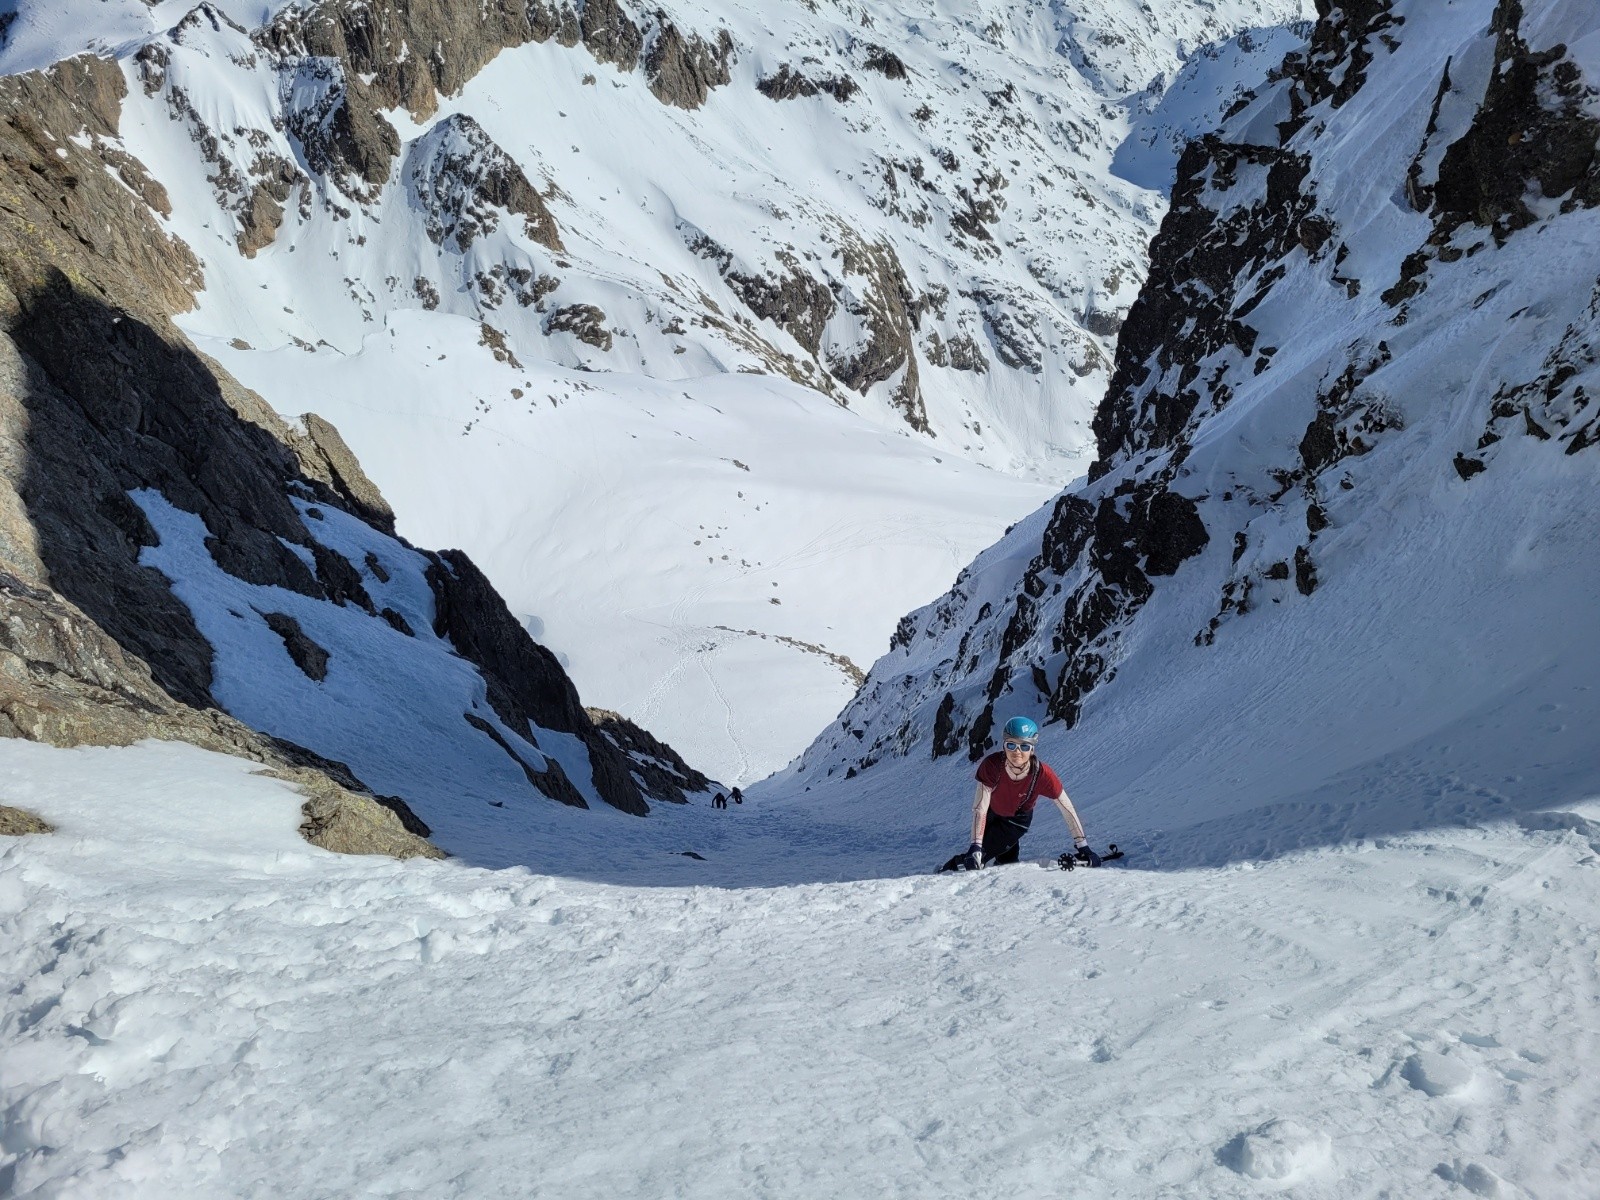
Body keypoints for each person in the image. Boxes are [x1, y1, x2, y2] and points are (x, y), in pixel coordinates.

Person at [951, 716, 1100, 870]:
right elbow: (980, 808)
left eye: (1024, 746)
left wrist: (1083, 846)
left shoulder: (1043, 775)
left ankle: (949, 870)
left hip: (1015, 821)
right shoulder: (992, 766)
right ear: (1004, 745)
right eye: (1011, 745)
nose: (1017, 752)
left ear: (1032, 749)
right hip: (992, 812)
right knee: (996, 858)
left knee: (979, 858)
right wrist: (975, 845)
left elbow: (1067, 809)